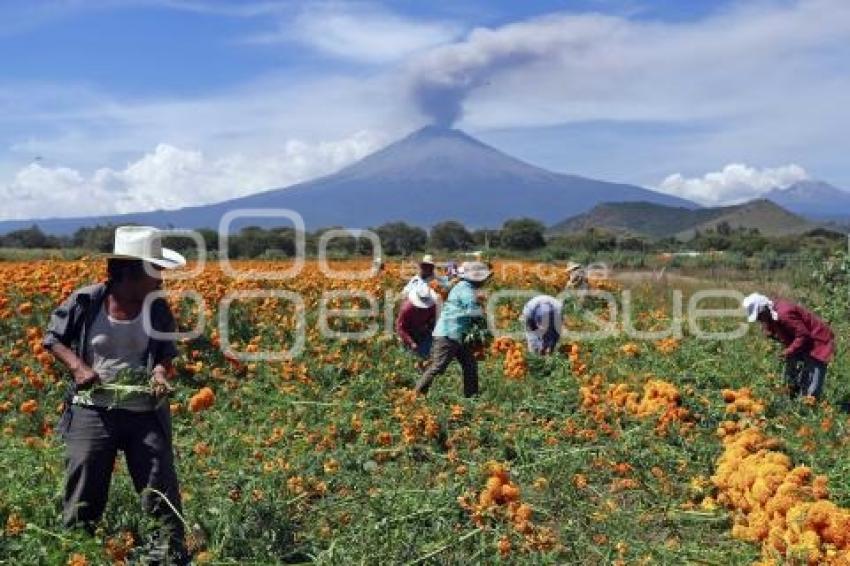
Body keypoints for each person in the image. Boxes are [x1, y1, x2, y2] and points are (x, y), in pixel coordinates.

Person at [43, 226, 189, 564]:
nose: (161, 280)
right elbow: (53, 339)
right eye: (156, 271)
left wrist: (158, 373)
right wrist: (79, 368)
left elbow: (166, 353)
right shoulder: (86, 300)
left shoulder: (157, 308)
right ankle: (77, 551)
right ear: (131, 273)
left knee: (159, 485)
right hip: (93, 408)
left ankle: (168, 553)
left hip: (144, 412)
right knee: (85, 482)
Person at [414, 261, 491, 397]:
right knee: (438, 367)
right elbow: (472, 308)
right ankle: (416, 395)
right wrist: (483, 320)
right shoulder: (465, 289)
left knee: (470, 365)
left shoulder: (465, 287)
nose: (485, 280)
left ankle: (471, 396)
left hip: (460, 334)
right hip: (449, 333)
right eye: (484, 278)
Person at [742, 293, 835, 400]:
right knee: (791, 375)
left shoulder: (784, 313)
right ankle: (794, 399)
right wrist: (770, 331)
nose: (759, 320)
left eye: (759, 316)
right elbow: (777, 325)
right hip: (803, 344)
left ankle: (809, 406)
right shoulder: (772, 313)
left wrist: (788, 351)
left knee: (813, 382)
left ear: (764, 309)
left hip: (818, 342)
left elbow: (803, 335)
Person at [396, 285, 439, 358]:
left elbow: (435, 318)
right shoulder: (407, 309)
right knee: (409, 357)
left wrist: (432, 327)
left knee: (425, 353)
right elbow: (401, 329)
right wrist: (411, 342)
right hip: (408, 333)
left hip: (422, 330)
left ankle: (425, 357)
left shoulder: (432, 305)